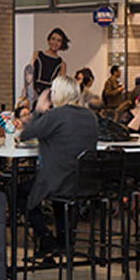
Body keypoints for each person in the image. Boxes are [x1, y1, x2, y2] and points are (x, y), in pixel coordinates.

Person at [18, 76, 99, 264]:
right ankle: (63, 243)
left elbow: (26, 134)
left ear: (56, 94)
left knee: (17, 190)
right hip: (85, 183)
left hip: (59, 181)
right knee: (60, 195)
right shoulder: (90, 116)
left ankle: (46, 239)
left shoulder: (56, 115)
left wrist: (38, 111)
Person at [22, 28, 68, 108]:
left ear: (61, 44)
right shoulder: (37, 54)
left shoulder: (61, 63)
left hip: (48, 95)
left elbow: (61, 85)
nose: (55, 42)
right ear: (48, 40)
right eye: (53, 39)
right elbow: (28, 73)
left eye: (59, 40)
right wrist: (26, 90)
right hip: (34, 91)